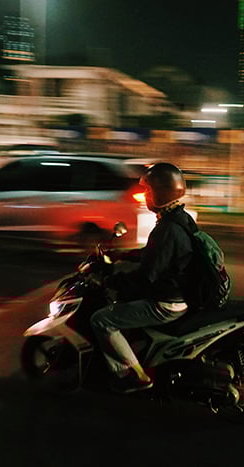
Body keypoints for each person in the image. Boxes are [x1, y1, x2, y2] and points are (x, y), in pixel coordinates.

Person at [90, 162, 197, 393]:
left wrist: (111, 282)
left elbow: (147, 276)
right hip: (180, 294)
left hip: (166, 302)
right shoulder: (180, 219)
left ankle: (135, 375)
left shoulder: (167, 228)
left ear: (161, 191)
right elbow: (158, 255)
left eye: (148, 191)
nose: (145, 196)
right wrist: (125, 254)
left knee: (101, 319)